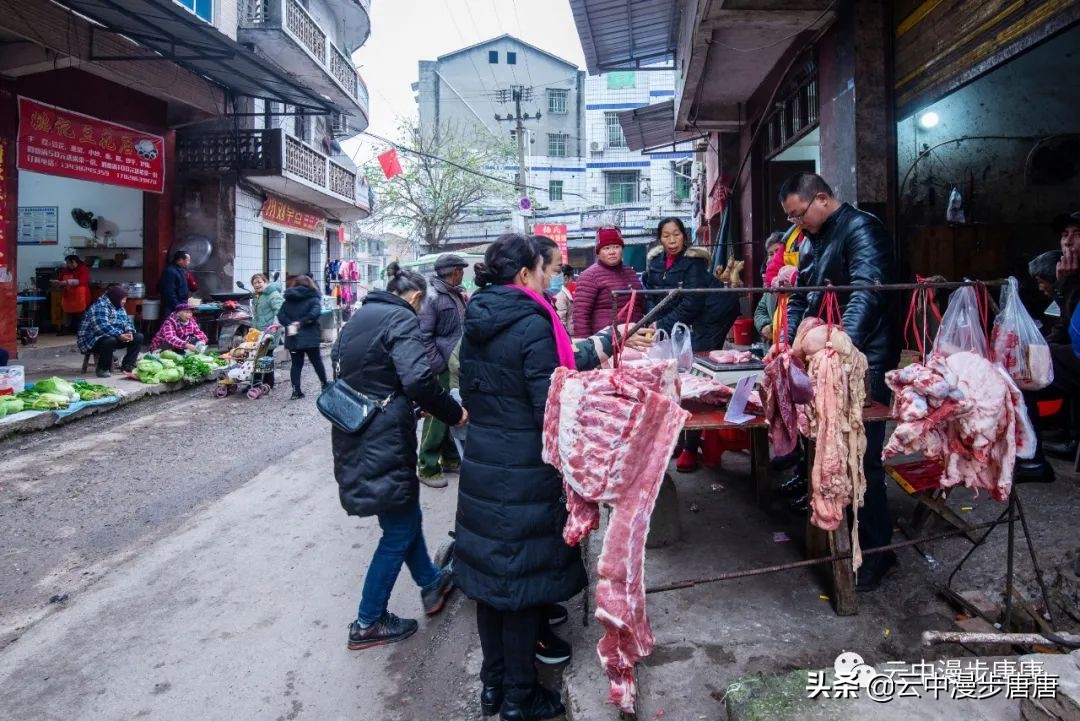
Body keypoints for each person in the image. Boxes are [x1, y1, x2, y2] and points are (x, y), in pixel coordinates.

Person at [455, 233, 652, 721]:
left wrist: (606, 344)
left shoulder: (478, 318)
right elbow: (551, 405)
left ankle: (492, 686)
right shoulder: (531, 320)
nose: (551, 277)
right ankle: (520, 699)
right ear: (525, 274)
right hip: (521, 468)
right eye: (546, 270)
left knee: (490, 586)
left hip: (483, 462)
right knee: (519, 587)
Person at [330, 262, 467, 651]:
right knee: (399, 530)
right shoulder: (401, 318)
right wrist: (453, 413)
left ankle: (431, 582)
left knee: (404, 514)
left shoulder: (359, 318)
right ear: (416, 297)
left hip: (355, 428)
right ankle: (367, 621)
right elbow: (419, 379)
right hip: (383, 435)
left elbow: (355, 370)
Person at [778, 171, 899, 593]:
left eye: (799, 215)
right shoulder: (813, 240)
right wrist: (788, 346)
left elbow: (867, 291)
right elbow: (801, 296)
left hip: (866, 360)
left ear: (822, 199)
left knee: (863, 459)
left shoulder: (861, 228)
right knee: (829, 453)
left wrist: (841, 349)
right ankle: (841, 539)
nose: (797, 225)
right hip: (828, 360)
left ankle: (879, 555)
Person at [644, 217, 740, 472]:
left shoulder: (694, 264)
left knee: (694, 372)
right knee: (672, 369)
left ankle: (690, 446)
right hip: (687, 317)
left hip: (712, 314)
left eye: (676, 235)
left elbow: (690, 304)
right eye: (666, 235)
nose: (672, 240)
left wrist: (661, 326)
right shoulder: (655, 264)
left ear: (684, 237)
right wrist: (652, 323)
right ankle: (679, 435)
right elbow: (655, 299)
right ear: (660, 238)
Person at [417, 253, 470, 486]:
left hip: (455, 364)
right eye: (461, 270)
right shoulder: (432, 297)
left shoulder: (454, 294)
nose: (462, 274)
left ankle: (450, 458)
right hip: (441, 366)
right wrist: (437, 365)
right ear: (454, 271)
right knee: (437, 416)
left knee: (454, 412)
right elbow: (424, 336)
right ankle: (427, 466)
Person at [572, 227, 645, 338]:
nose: (612, 252)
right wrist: (587, 347)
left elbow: (641, 305)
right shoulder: (589, 276)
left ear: (622, 249)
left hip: (635, 337)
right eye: (606, 248)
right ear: (598, 252)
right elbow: (580, 316)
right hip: (606, 342)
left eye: (616, 247)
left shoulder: (630, 272)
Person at [277, 275, 329, 399]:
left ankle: (296, 391)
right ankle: (324, 385)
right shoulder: (313, 298)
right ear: (310, 284)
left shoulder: (288, 299)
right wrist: (301, 322)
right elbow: (315, 313)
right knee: (317, 361)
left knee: (296, 364)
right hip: (310, 337)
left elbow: (281, 315)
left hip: (293, 337)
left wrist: (290, 324)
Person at [77, 286, 143, 377]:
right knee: (109, 340)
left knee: (138, 337)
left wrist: (129, 331)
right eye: (123, 299)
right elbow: (102, 327)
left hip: (113, 336)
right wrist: (119, 334)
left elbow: (127, 322)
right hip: (91, 341)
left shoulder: (119, 306)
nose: (124, 301)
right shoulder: (100, 306)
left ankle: (128, 366)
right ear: (116, 298)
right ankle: (102, 369)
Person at [753, 232, 788, 343]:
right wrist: (764, 325)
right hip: (773, 346)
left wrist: (774, 327)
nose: (774, 257)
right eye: (770, 253)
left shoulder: (796, 276)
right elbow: (760, 310)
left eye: (778, 252)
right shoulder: (770, 281)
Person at [52, 255, 91, 334]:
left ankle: (82, 330)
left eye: (69, 263)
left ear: (74, 262)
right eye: (67, 263)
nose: (67, 265)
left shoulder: (83, 269)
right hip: (68, 295)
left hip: (80, 296)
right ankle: (66, 329)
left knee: (80, 314)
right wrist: (58, 283)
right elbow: (60, 279)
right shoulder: (66, 270)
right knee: (67, 313)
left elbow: (82, 281)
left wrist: (67, 282)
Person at [160, 251, 192, 318]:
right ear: (180, 260)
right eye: (187, 260)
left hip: (181, 304)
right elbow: (169, 291)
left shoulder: (181, 270)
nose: (188, 263)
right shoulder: (170, 271)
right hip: (173, 306)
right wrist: (177, 305)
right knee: (172, 325)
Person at [553, 265, 575, 335]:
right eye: (572, 278)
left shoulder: (564, 293)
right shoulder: (561, 295)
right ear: (566, 278)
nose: (572, 281)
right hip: (567, 335)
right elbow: (561, 320)